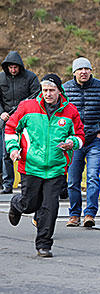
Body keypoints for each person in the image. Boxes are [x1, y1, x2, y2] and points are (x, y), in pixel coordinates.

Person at [6, 74, 85, 257]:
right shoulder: (27, 107)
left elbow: (81, 135)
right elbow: (11, 128)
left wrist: (72, 142)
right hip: (31, 166)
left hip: (56, 168)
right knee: (30, 204)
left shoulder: (70, 111)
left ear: (59, 91)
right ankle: (16, 204)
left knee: (50, 207)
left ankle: (43, 244)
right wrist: (13, 149)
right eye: (45, 90)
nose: (48, 94)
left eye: (51, 90)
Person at [63, 57, 100, 227]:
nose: (84, 72)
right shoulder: (65, 89)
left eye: (87, 69)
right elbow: (59, 113)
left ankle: (90, 214)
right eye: (80, 69)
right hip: (74, 141)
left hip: (95, 140)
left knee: (93, 177)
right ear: (74, 72)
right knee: (72, 179)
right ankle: (74, 214)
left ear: (91, 71)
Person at [0, 51, 40, 194]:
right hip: (7, 119)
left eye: (15, 67)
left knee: (28, 151)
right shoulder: (1, 78)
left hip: (26, 119)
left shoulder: (31, 77)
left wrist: (24, 107)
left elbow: (37, 94)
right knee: (6, 152)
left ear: (20, 67)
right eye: (10, 67)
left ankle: (27, 182)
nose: (13, 70)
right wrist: (1, 113)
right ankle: (7, 183)